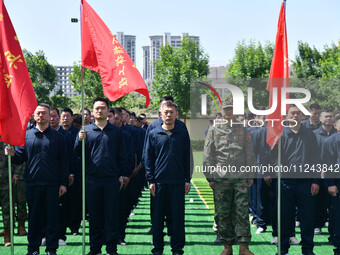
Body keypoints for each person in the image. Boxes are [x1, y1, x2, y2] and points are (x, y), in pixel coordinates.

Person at [5, 103, 68, 255]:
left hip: (52, 184)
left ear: (49, 116)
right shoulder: (26, 135)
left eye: (44, 113)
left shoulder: (58, 137)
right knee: (33, 218)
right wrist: (12, 154)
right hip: (32, 183)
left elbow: (64, 162)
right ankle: (33, 248)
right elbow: (20, 157)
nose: (41, 115)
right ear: (34, 116)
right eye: (38, 113)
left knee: (52, 218)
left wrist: (63, 183)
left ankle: (51, 249)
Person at [75, 97, 128, 255]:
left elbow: (123, 155)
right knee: (95, 216)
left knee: (111, 215)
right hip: (92, 179)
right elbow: (76, 154)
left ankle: (111, 248)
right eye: (97, 108)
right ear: (92, 112)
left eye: (103, 108)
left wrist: (123, 175)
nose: (99, 110)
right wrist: (79, 140)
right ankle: (95, 248)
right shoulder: (85, 131)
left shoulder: (116, 132)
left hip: (112, 179)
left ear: (108, 111)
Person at [203, 98, 256, 255]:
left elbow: (249, 152)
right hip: (221, 177)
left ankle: (244, 247)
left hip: (240, 177)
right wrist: (210, 177)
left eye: (231, 108)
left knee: (242, 211)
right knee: (223, 212)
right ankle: (227, 246)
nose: (229, 111)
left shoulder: (243, 129)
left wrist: (251, 174)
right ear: (222, 110)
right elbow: (208, 154)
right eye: (226, 109)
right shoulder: (214, 129)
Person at [144, 101, 191, 255]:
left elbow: (187, 158)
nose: (169, 115)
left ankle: (177, 248)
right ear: (161, 114)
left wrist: (187, 180)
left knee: (178, 218)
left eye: (172, 112)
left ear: (176, 114)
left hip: (177, 182)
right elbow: (148, 158)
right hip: (159, 183)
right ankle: (158, 248)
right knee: (157, 218)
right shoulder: (153, 134)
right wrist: (151, 180)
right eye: (166, 112)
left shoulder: (182, 134)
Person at [275, 105, 320, 255]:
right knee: (284, 218)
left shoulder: (310, 134)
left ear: (303, 116)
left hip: (305, 183)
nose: (295, 116)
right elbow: (272, 158)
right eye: (292, 113)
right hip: (285, 182)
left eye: (298, 113)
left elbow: (316, 159)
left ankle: (307, 249)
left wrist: (315, 181)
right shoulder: (279, 135)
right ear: (287, 117)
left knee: (307, 219)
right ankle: (282, 249)